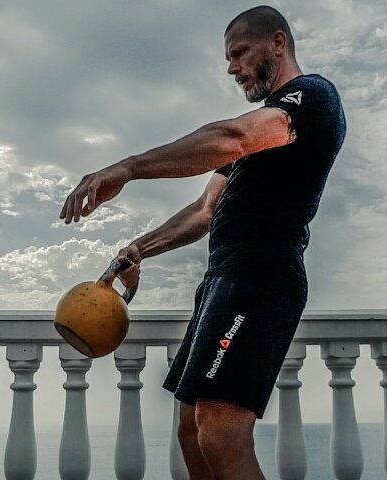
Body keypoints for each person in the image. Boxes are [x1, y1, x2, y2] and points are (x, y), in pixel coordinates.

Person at [59, 5, 346, 479]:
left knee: (219, 426)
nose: (232, 67)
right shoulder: (259, 144)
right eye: (228, 59)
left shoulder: (311, 97)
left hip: (262, 276)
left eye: (239, 53)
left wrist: (128, 168)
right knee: (192, 427)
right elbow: (203, 211)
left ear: (277, 42)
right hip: (222, 282)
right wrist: (137, 249)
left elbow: (232, 136)